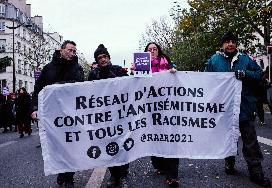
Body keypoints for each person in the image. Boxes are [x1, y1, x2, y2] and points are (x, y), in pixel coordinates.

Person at [205, 31, 271, 187]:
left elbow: (258, 74)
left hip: (245, 106)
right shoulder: (214, 60)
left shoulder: (245, 59)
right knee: (228, 138)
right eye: (227, 41)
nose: (230, 44)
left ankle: (256, 172)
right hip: (224, 108)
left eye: (233, 41)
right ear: (222, 45)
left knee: (250, 140)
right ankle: (229, 162)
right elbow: (205, 80)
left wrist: (246, 73)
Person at [31, 40, 84, 188]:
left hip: (72, 115)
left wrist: (59, 86)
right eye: (70, 50)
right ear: (61, 50)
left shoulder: (78, 68)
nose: (72, 53)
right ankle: (62, 173)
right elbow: (38, 89)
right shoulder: (48, 68)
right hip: (53, 116)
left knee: (71, 146)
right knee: (59, 147)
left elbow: (80, 87)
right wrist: (34, 108)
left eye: (74, 51)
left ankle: (68, 178)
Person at [131, 42, 178, 187]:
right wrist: (133, 72)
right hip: (149, 107)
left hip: (167, 106)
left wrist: (174, 72)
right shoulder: (141, 66)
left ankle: (172, 175)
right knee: (154, 137)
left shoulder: (167, 62)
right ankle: (159, 165)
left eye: (154, 49)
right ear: (146, 52)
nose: (152, 51)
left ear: (158, 50)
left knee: (170, 138)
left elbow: (177, 80)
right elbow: (136, 83)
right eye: (149, 49)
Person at [88, 44, 129, 188]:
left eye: (104, 56)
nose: (103, 59)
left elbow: (131, 87)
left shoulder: (118, 70)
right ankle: (114, 174)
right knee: (108, 145)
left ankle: (123, 175)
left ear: (108, 57)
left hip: (120, 115)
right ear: (97, 61)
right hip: (103, 117)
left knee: (122, 144)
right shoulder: (93, 74)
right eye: (99, 58)